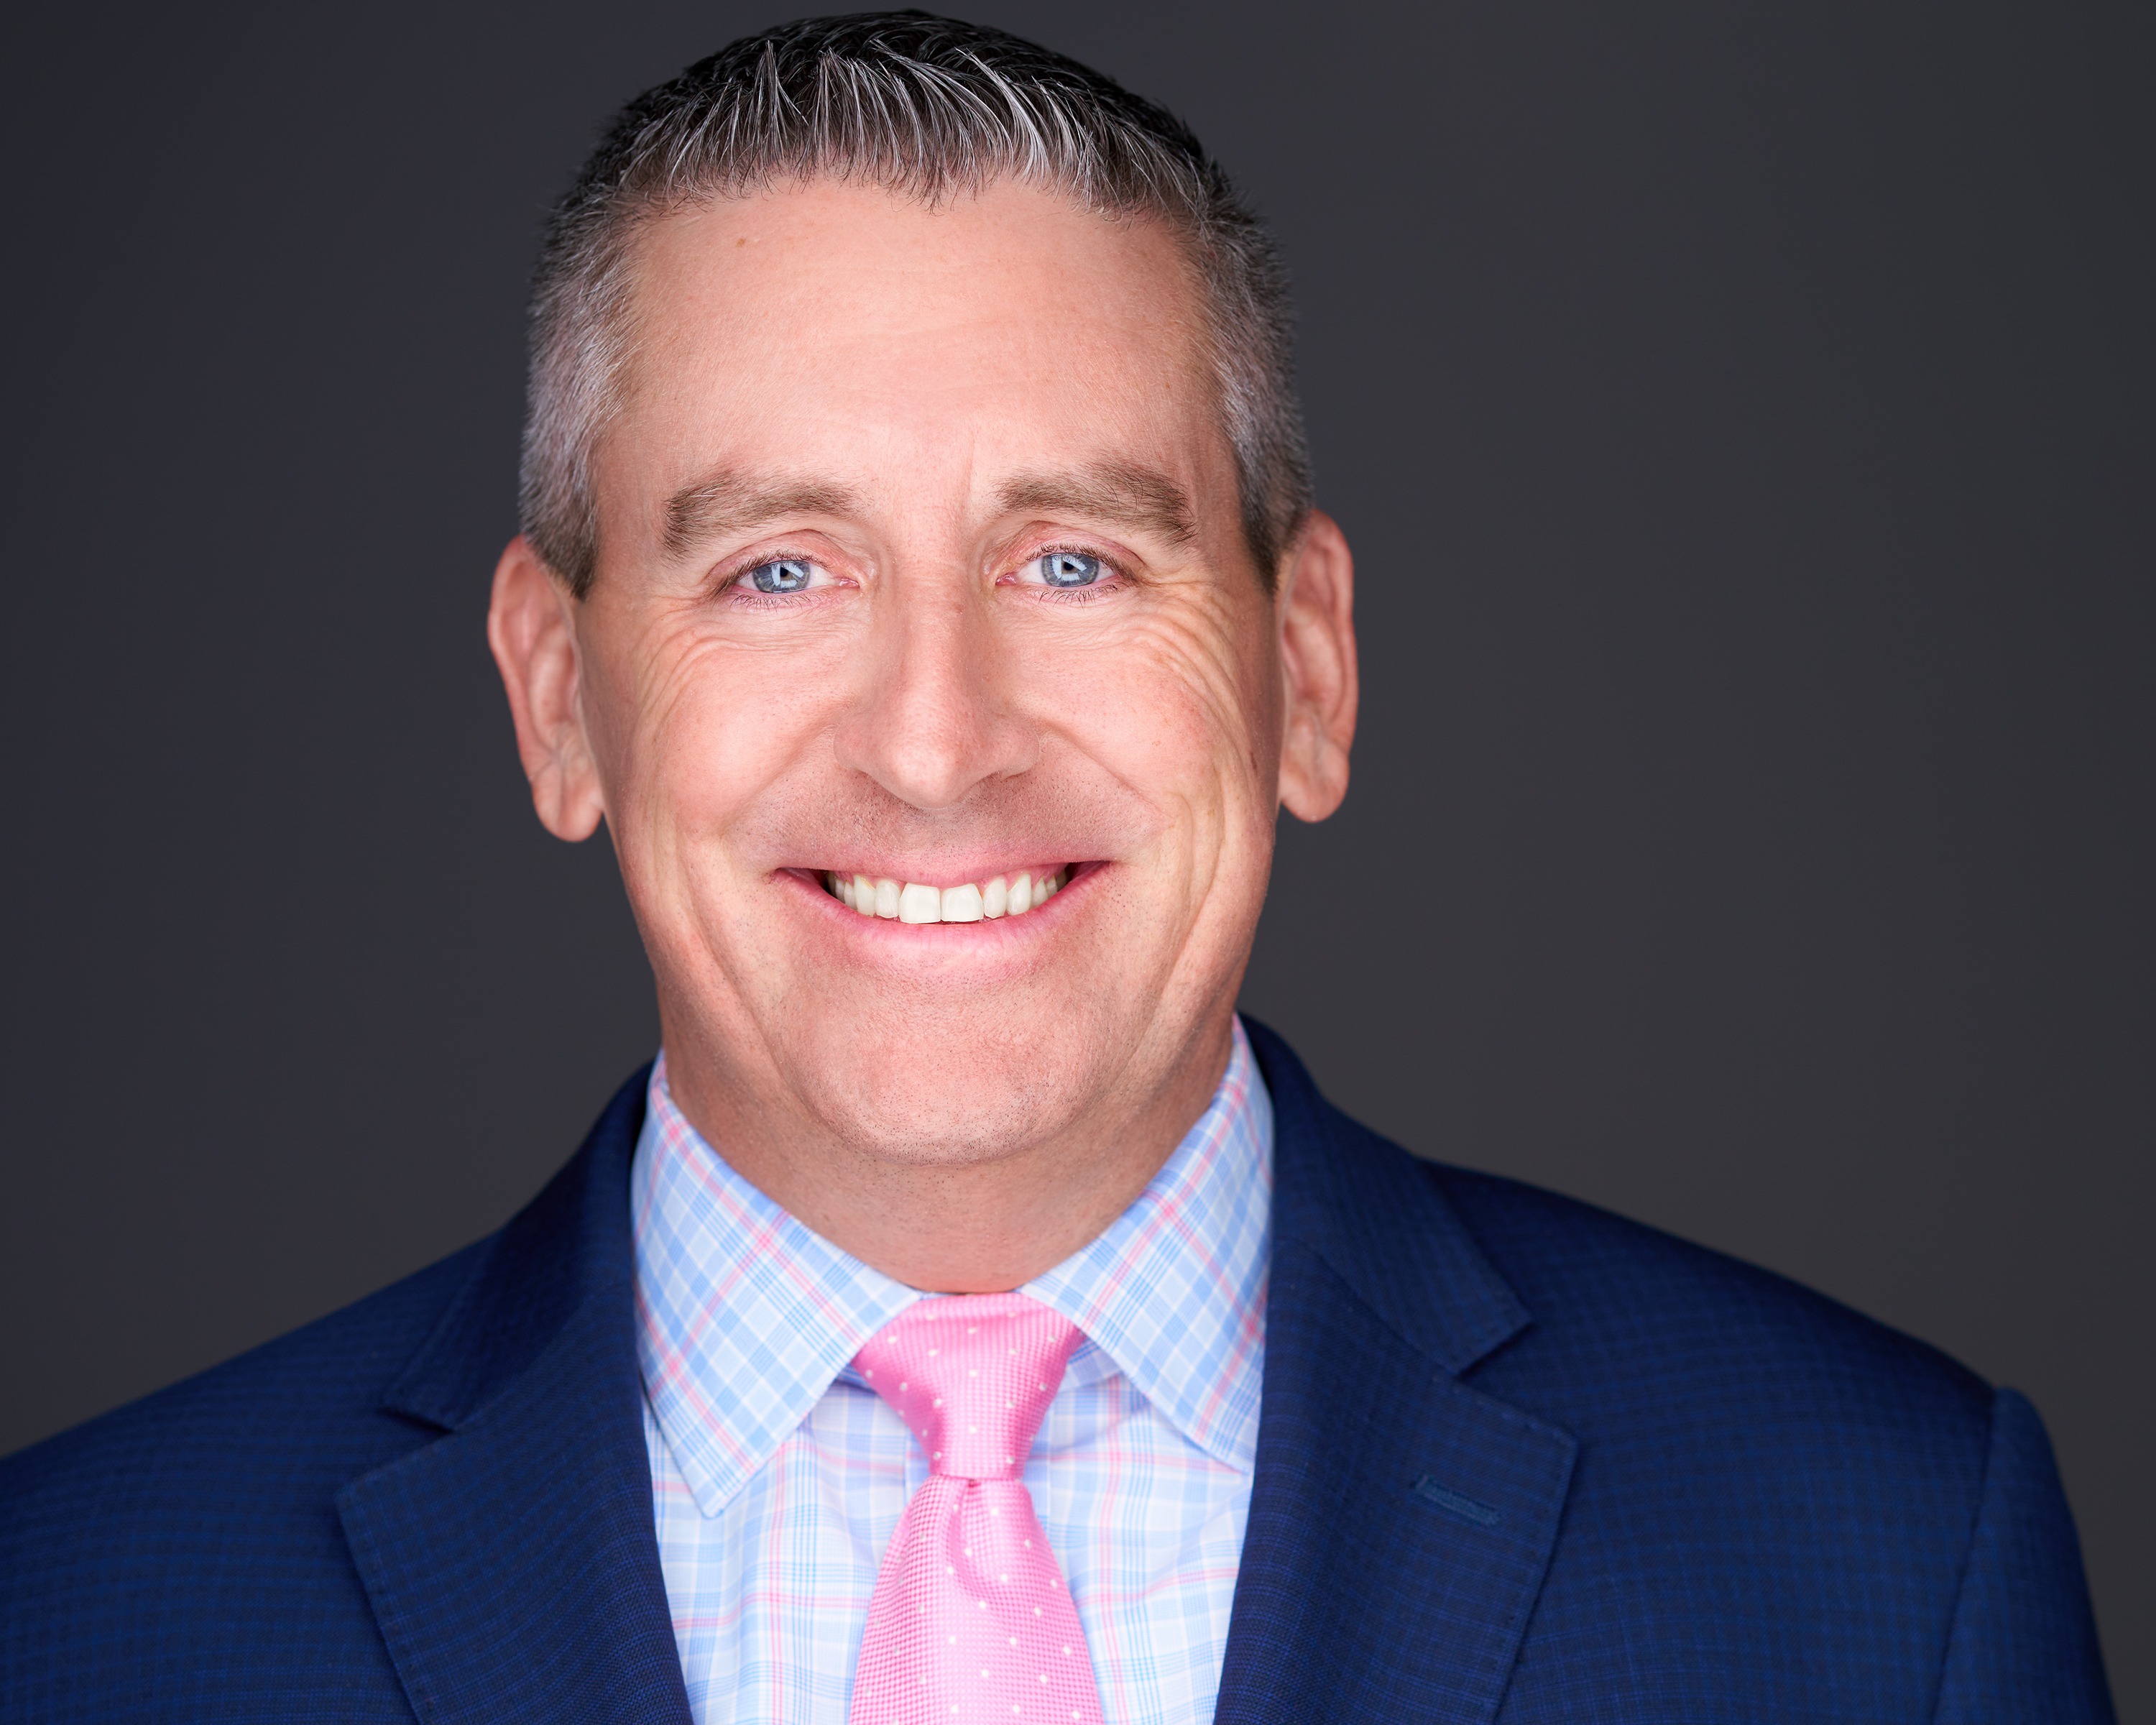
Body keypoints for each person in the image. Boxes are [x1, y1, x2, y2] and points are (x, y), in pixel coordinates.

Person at [0, 14, 2114, 1723]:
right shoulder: (73, 1625)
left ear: (1305, 672)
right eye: (780, 569)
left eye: (1078, 558)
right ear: (560, 698)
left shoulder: (1889, 1558)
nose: (938, 738)